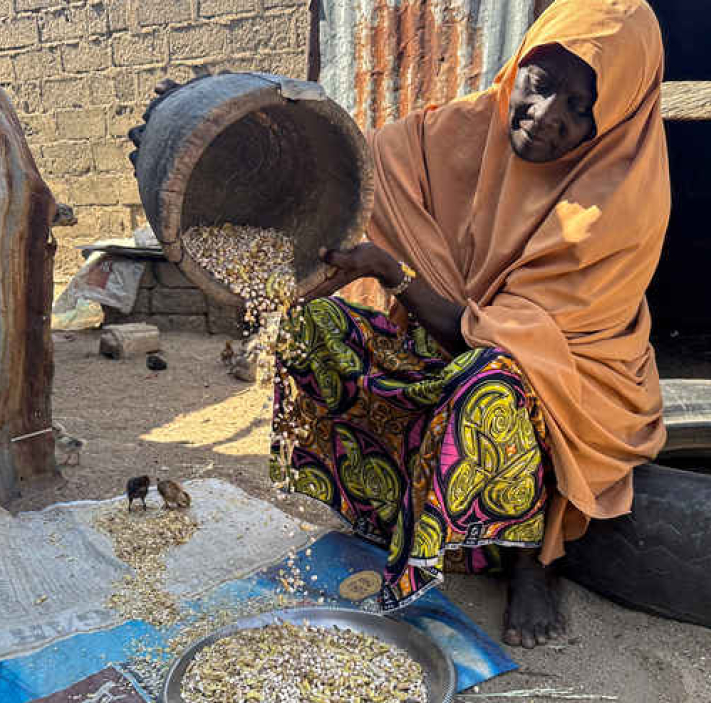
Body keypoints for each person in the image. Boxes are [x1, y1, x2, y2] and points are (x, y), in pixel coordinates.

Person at [271, 0, 670, 648]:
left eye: (579, 106)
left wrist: (394, 273)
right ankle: (387, 509)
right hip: (458, 337)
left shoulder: (622, 201)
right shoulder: (472, 125)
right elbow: (363, 164)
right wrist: (277, 138)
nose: (546, 117)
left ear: (617, 114)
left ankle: (532, 563)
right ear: (521, 64)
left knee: (492, 382)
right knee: (317, 326)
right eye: (541, 83)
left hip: (566, 388)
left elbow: (513, 342)